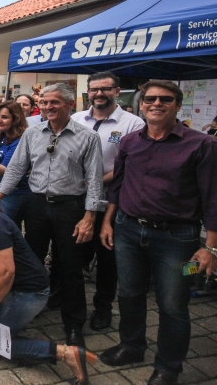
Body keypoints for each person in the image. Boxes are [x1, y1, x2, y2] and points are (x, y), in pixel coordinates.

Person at [99, 80, 217, 385]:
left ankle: (168, 367)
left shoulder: (202, 145)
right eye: (150, 99)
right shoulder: (130, 142)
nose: (156, 104)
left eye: (165, 99)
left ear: (177, 105)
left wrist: (211, 248)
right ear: (141, 105)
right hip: (127, 230)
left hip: (177, 239)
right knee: (129, 293)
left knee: (173, 304)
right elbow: (118, 185)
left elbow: (213, 199)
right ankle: (131, 346)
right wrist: (108, 221)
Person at [0, 82, 103, 348]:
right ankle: (26, 310)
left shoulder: (88, 137)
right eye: (44, 102)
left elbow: (95, 179)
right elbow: (16, 168)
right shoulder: (32, 134)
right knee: (31, 260)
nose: (48, 107)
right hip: (37, 205)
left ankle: (74, 325)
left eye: (54, 102)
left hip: (70, 208)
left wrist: (90, 217)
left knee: (70, 267)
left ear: (69, 105)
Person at [0, 176, 97, 382]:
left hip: (29, 292)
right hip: (15, 284)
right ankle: (0, 303)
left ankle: (66, 353)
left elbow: (6, 271)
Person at [71, 72, 145, 332]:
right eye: (94, 90)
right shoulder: (76, 119)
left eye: (105, 89)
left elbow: (127, 165)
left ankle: (103, 307)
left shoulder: (132, 124)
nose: (99, 94)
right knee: (72, 254)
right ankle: (69, 301)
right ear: (88, 92)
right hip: (76, 200)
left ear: (117, 90)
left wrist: (95, 182)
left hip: (111, 203)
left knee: (107, 260)